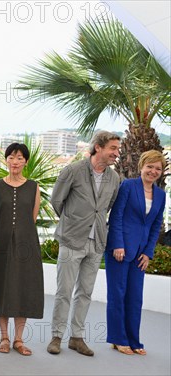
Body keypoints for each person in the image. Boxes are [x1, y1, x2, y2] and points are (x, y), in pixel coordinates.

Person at [47, 131, 120, 356]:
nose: (116, 154)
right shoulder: (73, 170)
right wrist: (74, 221)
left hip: (96, 241)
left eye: (117, 149)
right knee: (64, 291)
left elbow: (107, 207)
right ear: (98, 147)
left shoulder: (115, 178)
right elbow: (56, 200)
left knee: (85, 292)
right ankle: (56, 337)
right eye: (113, 149)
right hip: (71, 239)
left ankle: (76, 338)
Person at [105, 150, 166, 356]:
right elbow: (117, 216)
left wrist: (149, 253)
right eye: (150, 166)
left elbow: (156, 224)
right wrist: (117, 245)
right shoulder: (129, 186)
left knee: (135, 298)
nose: (153, 171)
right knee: (118, 294)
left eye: (158, 168)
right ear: (142, 166)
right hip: (120, 251)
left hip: (141, 254)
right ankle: (118, 339)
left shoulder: (161, 195)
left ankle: (133, 340)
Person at [0, 143, 43, 356]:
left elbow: (32, 217)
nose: (15, 161)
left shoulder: (33, 186)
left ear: (26, 162)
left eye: (20, 158)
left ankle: (19, 339)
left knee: (24, 288)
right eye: (11, 157)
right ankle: (4, 337)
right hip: (1, 243)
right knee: (2, 286)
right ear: (6, 160)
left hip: (26, 244)